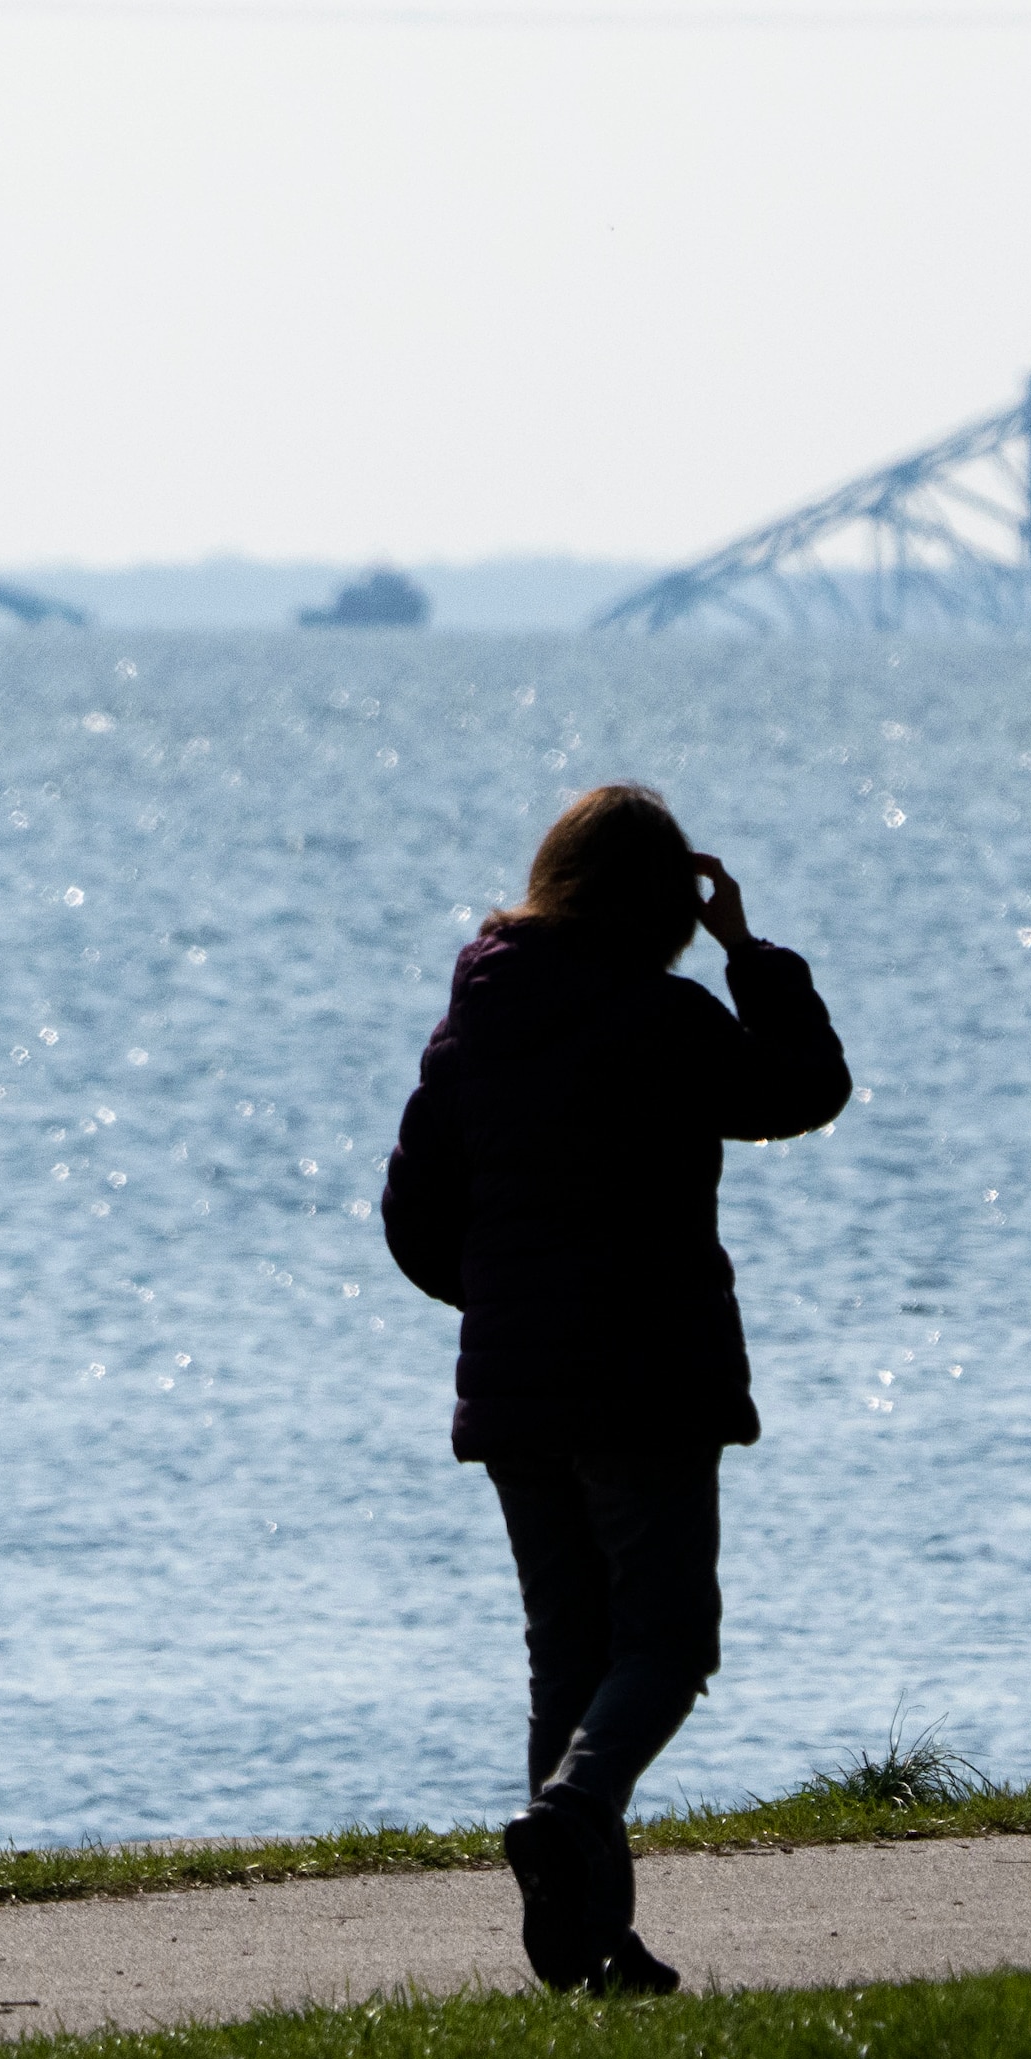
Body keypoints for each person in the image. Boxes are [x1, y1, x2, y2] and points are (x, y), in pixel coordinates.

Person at [379, 783, 852, 1995]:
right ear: (666, 905)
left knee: (570, 1657)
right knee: (665, 1642)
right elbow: (803, 1089)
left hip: (519, 1388)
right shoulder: (667, 1020)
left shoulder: (470, 1025)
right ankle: (579, 1810)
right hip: (644, 1378)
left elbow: (414, 1217)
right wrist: (753, 954)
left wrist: (503, 1306)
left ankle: (594, 1946)